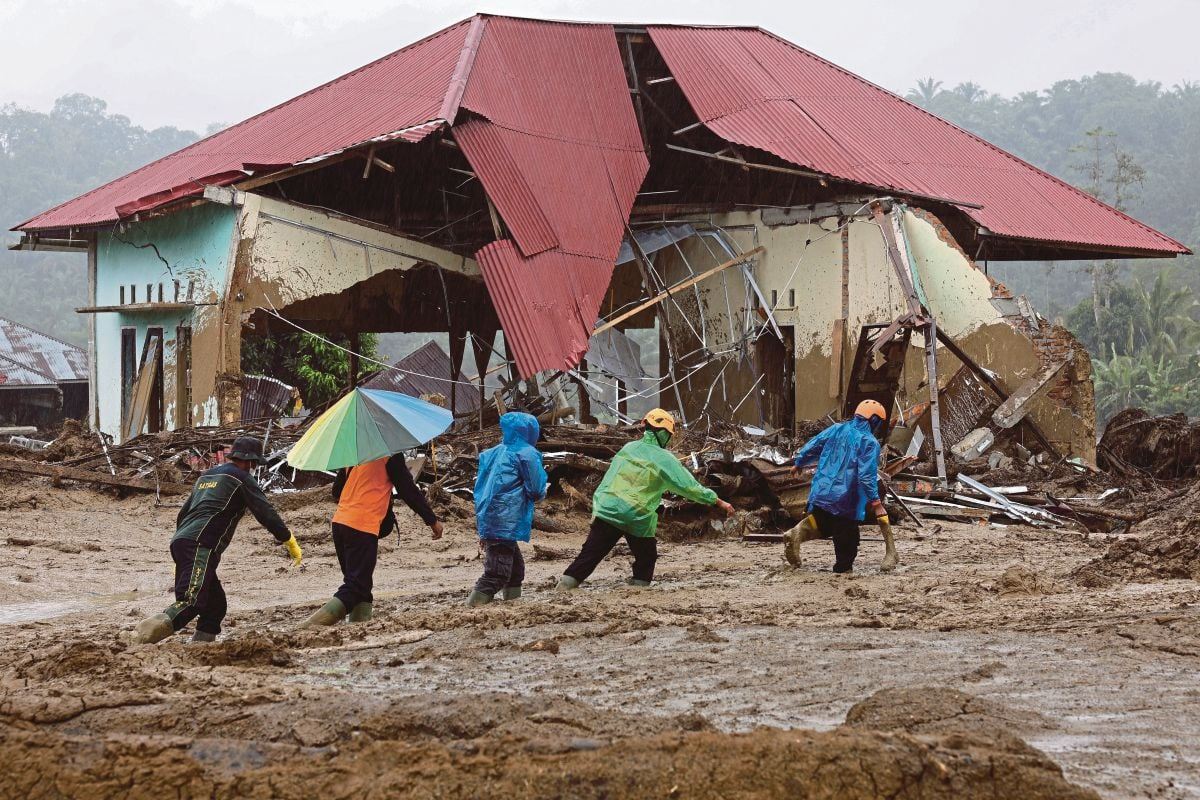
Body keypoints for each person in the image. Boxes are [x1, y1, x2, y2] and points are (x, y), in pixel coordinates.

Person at [132, 436, 301, 644]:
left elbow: (184, 513)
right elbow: (265, 511)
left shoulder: (206, 477)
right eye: (255, 463)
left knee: (215, 606)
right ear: (249, 461)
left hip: (182, 540)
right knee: (191, 601)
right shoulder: (242, 478)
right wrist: (288, 539)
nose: (255, 467)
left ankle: (200, 647)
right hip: (200, 544)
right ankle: (138, 637)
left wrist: (181, 551)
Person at [557, 409, 734, 589]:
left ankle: (565, 586)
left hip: (608, 508)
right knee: (646, 556)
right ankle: (639, 587)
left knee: (590, 554)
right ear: (664, 433)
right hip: (637, 515)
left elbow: (608, 480)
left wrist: (599, 508)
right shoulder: (665, 458)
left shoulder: (628, 448)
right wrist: (718, 501)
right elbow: (689, 487)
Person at [302, 450, 443, 626]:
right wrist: (432, 520)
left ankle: (359, 628)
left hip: (340, 523)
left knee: (361, 585)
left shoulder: (355, 453)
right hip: (362, 525)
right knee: (355, 587)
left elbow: (336, 490)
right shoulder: (390, 453)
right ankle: (307, 627)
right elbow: (408, 490)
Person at [783, 399, 898, 574]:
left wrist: (799, 463)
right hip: (846, 497)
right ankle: (841, 572)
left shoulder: (837, 428)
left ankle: (797, 533)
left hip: (821, 490)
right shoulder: (869, 442)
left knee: (823, 524)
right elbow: (866, 476)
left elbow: (815, 444)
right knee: (847, 541)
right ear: (874, 420)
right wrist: (876, 503)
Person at [466, 412, 547, 606]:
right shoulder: (527, 453)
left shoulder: (493, 452)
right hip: (506, 518)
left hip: (488, 514)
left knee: (515, 570)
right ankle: (472, 607)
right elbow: (535, 490)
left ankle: (513, 607)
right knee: (497, 573)